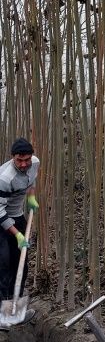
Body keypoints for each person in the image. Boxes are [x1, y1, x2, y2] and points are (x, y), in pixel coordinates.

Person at [0, 137, 39, 322]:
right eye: (19, 160)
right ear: (12, 158)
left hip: (16, 215)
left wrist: (31, 197)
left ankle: (16, 309)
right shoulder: (5, 178)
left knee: (21, 264)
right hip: (1, 217)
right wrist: (17, 235)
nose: (24, 164)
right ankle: (4, 314)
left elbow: (31, 182)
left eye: (27, 160)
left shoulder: (35, 163)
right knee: (4, 264)